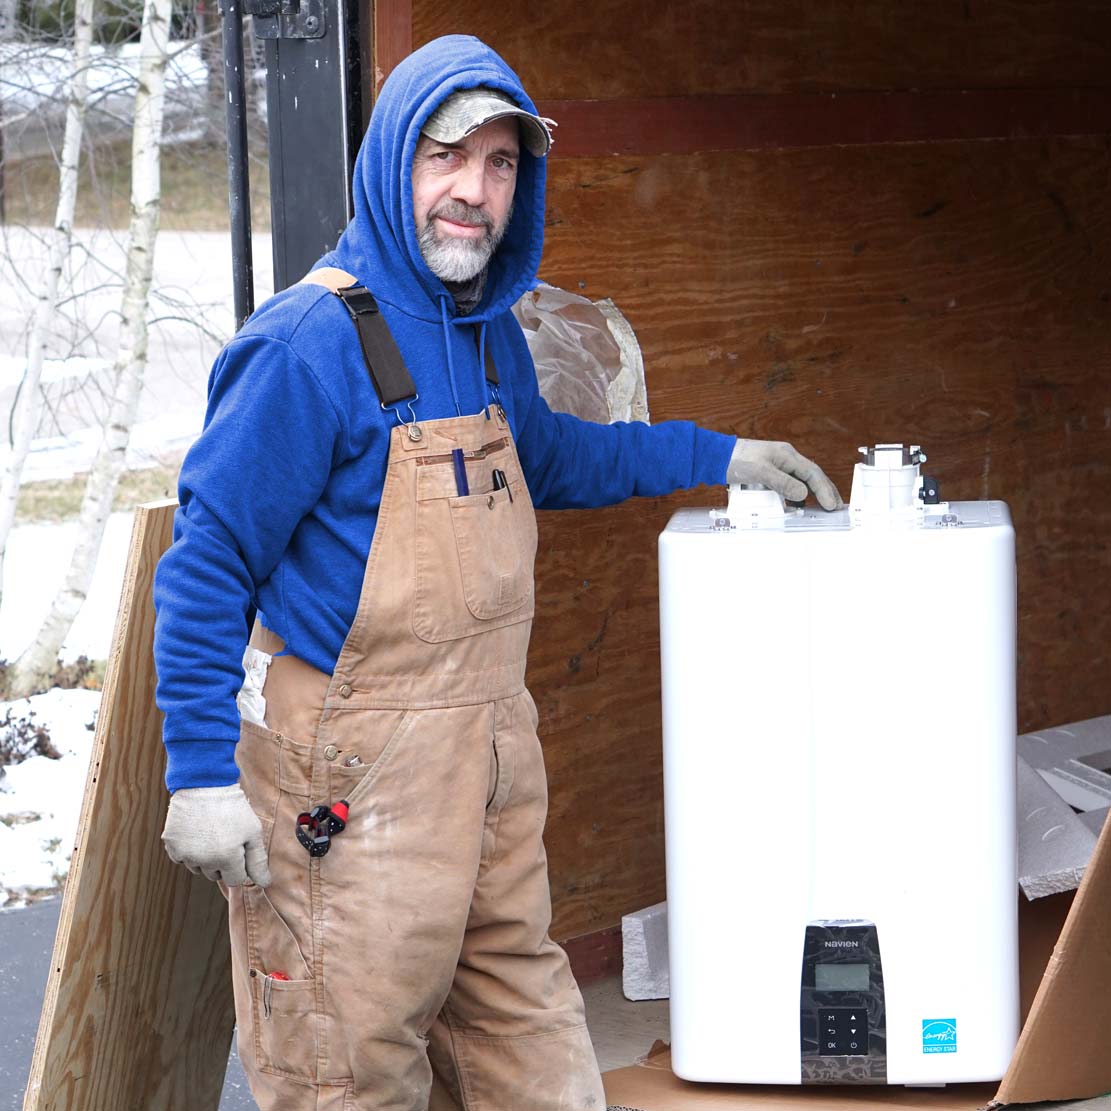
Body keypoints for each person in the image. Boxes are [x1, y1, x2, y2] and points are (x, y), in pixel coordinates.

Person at [155, 33, 841, 1111]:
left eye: (500, 164)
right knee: (351, 1069)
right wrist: (199, 770)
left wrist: (716, 455)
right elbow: (205, 563)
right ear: (392, 163)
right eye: (445, 157)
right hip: (350, 788)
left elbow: (554, 456)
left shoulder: (483, 334)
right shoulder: (308, 344)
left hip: (482, 774)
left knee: (532, 1056)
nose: (472, 192)